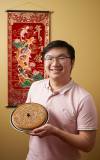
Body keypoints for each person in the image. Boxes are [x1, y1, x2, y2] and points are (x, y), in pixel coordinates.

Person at [26, 40, 97, 160]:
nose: (55, 63)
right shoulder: (35, 86)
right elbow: (28, 116)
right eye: (49, 58)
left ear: (72, 62)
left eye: (61, 58)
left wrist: (55, 131)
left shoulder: (84, 98)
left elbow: (87, 145)